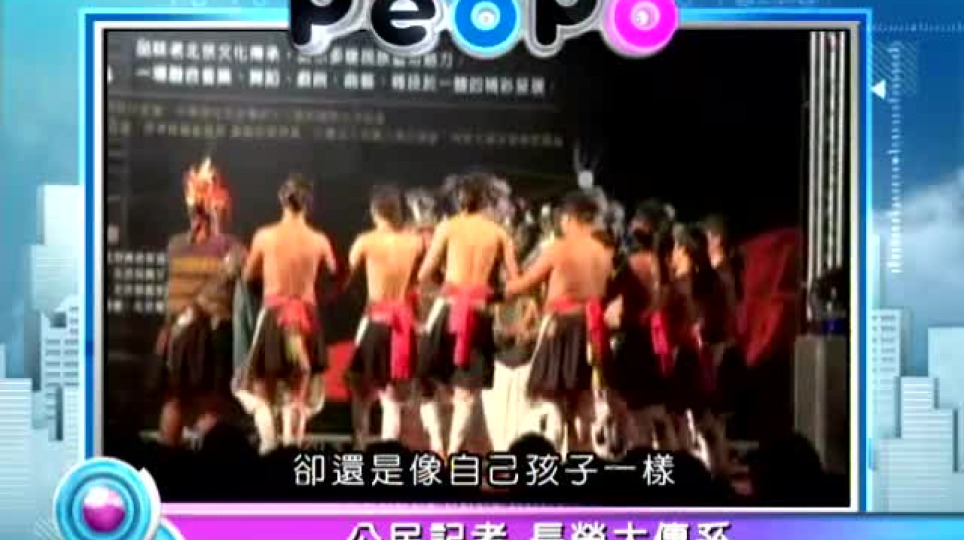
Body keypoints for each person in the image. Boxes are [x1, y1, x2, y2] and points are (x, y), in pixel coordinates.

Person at [416, 173, 520, 457]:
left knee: (425, 379)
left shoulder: (448, 227)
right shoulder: (499, 233)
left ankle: (438, 446)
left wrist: (447, 288)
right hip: (479, 310)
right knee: (466, 393)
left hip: (448, 306)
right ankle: (451, 452)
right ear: (486, 200)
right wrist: (490, 294)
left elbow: (424, 274)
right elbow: (514, 282)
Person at [506, 190, 613, 453]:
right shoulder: (603, 252)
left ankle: (553, 458)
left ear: (568, 219)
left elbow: (523, 285)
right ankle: (580, 457)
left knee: (553, 402)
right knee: (581, 400)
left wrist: (501, 284)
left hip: (560, 327)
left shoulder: (558, 249)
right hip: (590, 328)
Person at [241, 174, 336, 450]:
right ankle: (292, 452)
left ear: (282, 201)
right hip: (306, 315)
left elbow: (248, 275)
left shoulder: (265, 236)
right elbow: (333, 272)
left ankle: (270, 448)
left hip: (275, 313)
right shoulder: (319, 240)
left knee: (263, 388)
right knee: (298, 390)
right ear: (308, 204)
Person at [156, 157, 246, 447]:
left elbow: (171, 298)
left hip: (178, 334)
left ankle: (165, 464)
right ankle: (207, 468)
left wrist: (168, 330)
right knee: (211, 405)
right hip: (211, 335)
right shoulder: (230, 247)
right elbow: (241, 267)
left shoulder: (175, 245)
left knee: (175, 402)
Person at [345, 185, 425, 447]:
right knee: (392, 398)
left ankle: (360, 448)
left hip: (375, 317)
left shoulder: (366, 241)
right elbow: (419, 281)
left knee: (361, 390)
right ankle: (388, 454)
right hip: (402, 320)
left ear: (374, 211)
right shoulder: (415, 243)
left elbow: (344, 278)